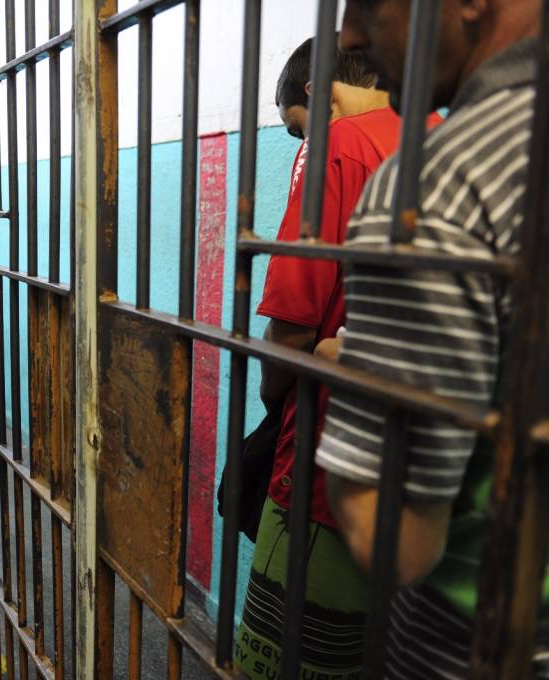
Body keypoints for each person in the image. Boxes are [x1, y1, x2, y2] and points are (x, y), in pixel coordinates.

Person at [315, 0, 549, 677]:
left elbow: (396, 541)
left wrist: (351, 370)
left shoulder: (434, 184)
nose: (350, 35)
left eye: (366, 3)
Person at [235, 36, 439, 680]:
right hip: (418, 461)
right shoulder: (439, 138)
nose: (302, 148)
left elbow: (291, 329)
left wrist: (274, 408)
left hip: (327, 459)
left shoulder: (338, 147)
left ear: (318, 97)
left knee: (283, 656)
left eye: (299, 131)